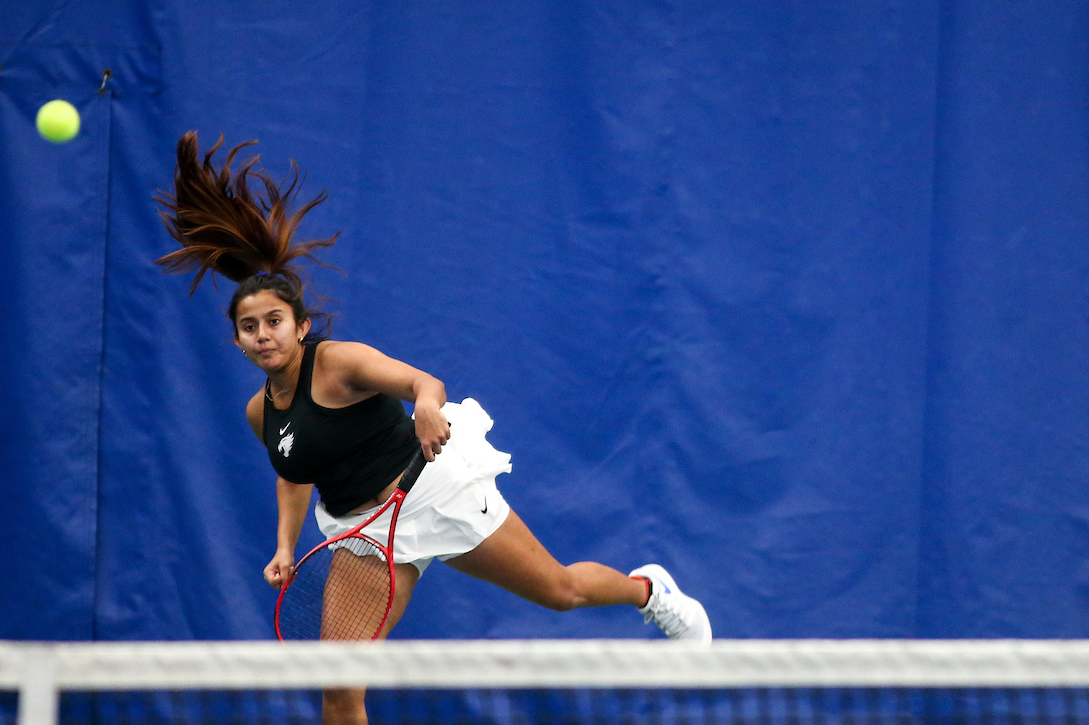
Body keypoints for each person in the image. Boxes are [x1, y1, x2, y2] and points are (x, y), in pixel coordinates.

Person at [156, 132, 711, 724]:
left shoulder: (341, 362)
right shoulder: (258, 412)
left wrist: (425, 406)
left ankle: (650, 593)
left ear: (301, 326)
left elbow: (425, 385)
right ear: (237, 340)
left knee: (560, 592)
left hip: (433, 489)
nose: (263, 334)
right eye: (249, 327)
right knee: (339, 690)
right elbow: (294, 474)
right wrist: (287, 546)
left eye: (274, 321)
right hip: (362, 533)